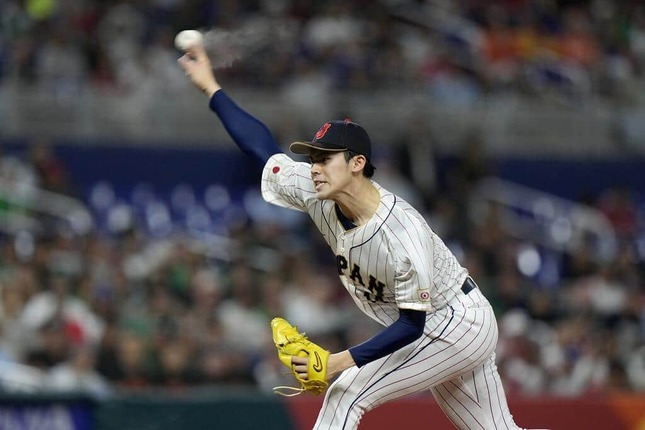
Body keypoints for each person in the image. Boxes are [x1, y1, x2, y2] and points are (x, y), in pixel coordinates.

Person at [178, 43, 533, 430]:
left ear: (357, 164)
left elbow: (412, 326)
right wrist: (211, 86)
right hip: (443, 320)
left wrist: (336, 362)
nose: (314, 168)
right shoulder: (316, 189)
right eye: (312, 158)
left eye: (324, 158)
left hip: (453, 321)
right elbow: (261, 147)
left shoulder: (402, 231)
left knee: (346, 392)